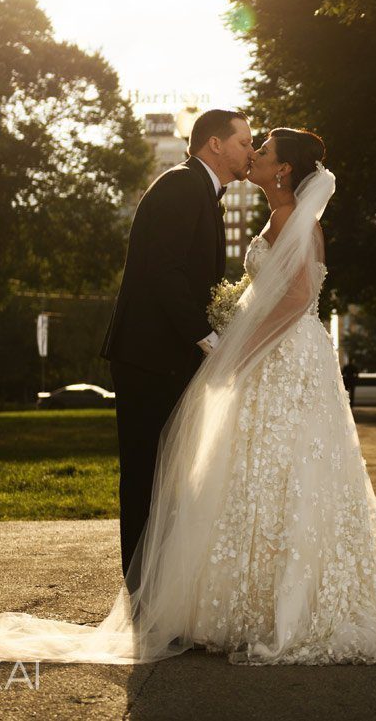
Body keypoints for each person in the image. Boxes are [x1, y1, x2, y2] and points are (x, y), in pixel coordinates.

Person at [0, 127, 376, 667]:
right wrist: (231, 328)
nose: (253, 154)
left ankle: (294, 600)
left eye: (261, 151)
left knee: (292, 472)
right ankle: (236, 596)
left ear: (283, 171)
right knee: (252, 473)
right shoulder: (257, 215)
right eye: (246, 144)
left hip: (288, 359)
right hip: (263, 354)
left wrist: (236, 343)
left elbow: (295, 300)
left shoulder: (298, 223)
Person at [98, 109, 253, 588]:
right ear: (214, 145)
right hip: (149, 358)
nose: (250, 151)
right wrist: (209, 338)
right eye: (245, 142)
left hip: (168, 358)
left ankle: (162, 588)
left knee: (170, 474)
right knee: (146, 474)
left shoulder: (203, 192)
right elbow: (164, 272)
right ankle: (142, 593)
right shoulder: (182, 186)